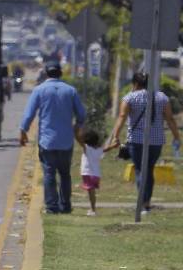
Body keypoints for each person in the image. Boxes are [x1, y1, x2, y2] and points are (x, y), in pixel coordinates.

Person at [107, 71, 182, 215]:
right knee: (149, 170)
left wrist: (115, 136)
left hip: (136, 140)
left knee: (141, 170)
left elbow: (122, 117)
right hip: (156, 141)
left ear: (135, 84)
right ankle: (146, 203)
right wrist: (176, 137)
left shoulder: (129, 98)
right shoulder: (161, 97)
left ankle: (142, 204)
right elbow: (170, 119)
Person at [19, 62, 86, 213]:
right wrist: (78, 125)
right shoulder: (70, 91)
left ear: (46, 74)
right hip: (66, 141)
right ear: (60, 74)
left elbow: (29, 114)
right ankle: (66, 205)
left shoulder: (39, 90)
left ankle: (52, 206)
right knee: (65, 174)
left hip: (47, 141)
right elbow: (81, 114)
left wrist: (23, 131)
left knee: (49, 174)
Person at [78, 130, 115, 216]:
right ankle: (92, 208)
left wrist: (77, 133)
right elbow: (105, 149)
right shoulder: (98, 150)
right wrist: (113, 145)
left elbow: (80, 142)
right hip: (96, 175)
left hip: (87, 173)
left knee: (91, 193)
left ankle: (93, 209)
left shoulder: (86, 148)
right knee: (92, 192)